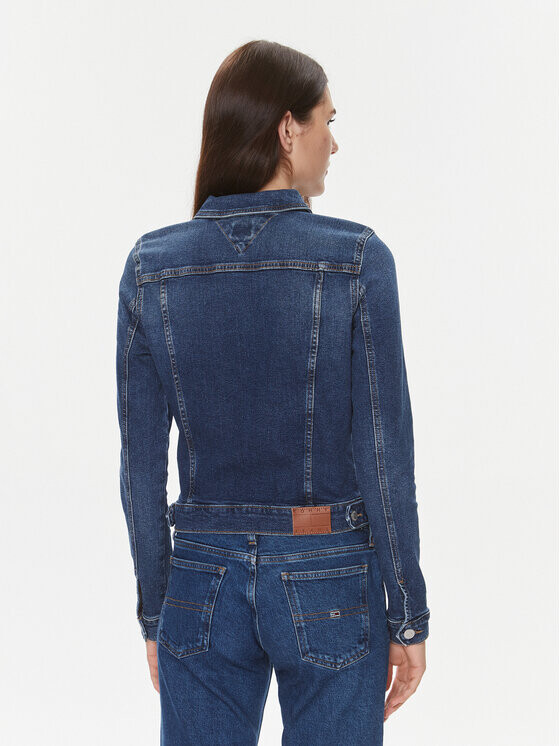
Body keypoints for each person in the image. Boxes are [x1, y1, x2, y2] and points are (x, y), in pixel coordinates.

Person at [116, 39, 430, 745]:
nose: (334, 143)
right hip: (330, 576)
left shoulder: (150, 268)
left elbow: (139, 470)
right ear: (288, 129)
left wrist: (157, 612)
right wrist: (407, 613)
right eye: (328, 120)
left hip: (200, 580)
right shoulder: (356, 259)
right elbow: (384, 455)